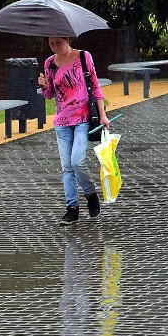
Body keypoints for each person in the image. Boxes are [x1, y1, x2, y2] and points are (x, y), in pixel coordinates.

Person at [38, 36, 110, 226]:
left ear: (67, 39)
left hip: (82, 119)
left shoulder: (84, 57)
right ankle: (72, 208)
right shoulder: (49, 63)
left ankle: (90, 192)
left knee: (77, 161)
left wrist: (102, 116)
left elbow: (95, 87)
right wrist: (44, 86)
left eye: (58, 43)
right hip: (62, 121)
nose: (55, 47)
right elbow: (50, 94)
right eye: (51, 44)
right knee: (66, 167)